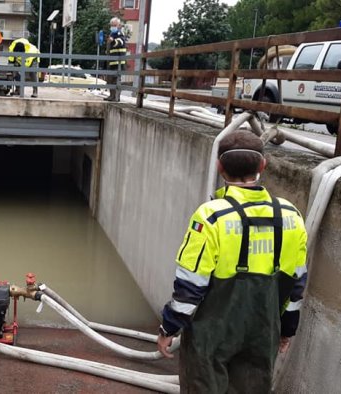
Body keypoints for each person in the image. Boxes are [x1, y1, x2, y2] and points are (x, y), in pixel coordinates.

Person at [156, 130, 308, 393]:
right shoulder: (290, 216)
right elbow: (296, 284)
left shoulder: (211, 217)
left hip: (211, 336)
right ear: (263, 165)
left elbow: (190, 285)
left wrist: (169, 327)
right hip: (262, 334)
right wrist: (287, 329)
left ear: (219, 167)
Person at [104, 17, 127, 102]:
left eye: (114, 25)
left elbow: (120, 42)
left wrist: (112, 41)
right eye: (112, 25)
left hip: (118, 63)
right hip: (111, 62)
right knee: (110, 80)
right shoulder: (112, 34)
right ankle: (111, 96)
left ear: (118, 25)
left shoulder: (120, 33)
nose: (113, 26)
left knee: (116, 81)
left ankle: (116, 97)